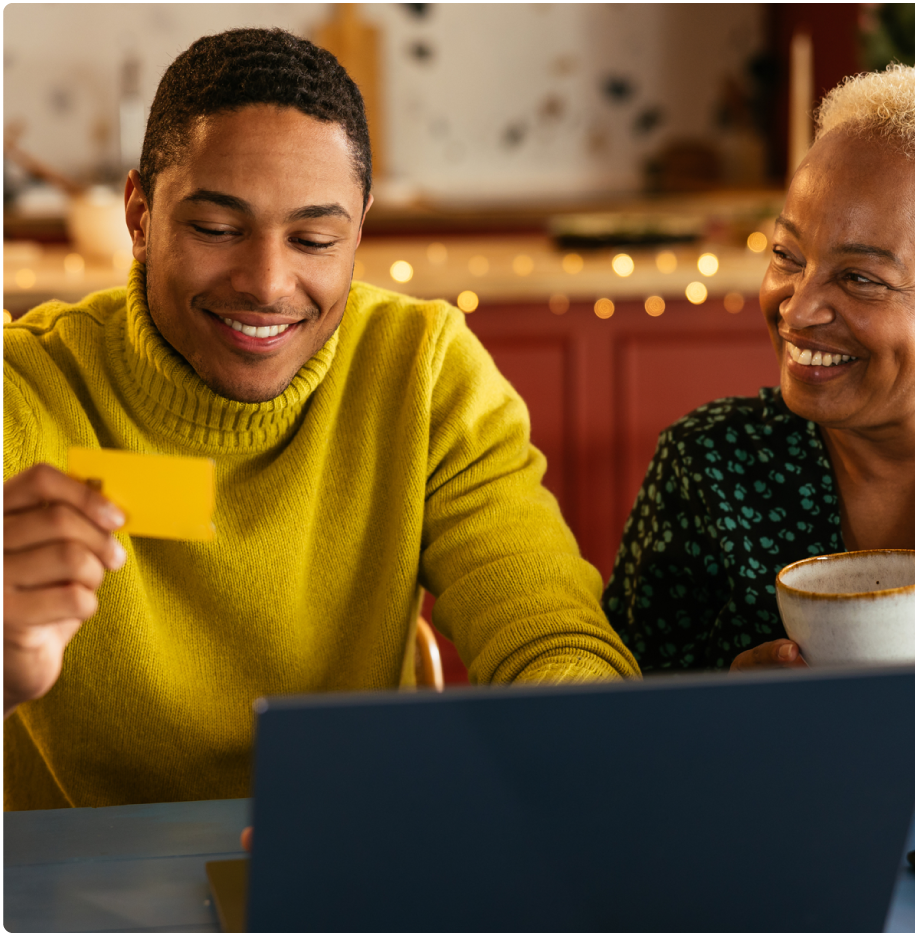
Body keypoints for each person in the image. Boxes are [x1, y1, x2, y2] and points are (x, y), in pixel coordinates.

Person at [3, 28, 638, 811]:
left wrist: (570, 735)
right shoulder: (25, 386)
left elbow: (550, 632)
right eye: (215, 229)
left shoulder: (423, 371)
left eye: (314, 238)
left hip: (357, 860)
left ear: (360, 231)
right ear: (139, 216)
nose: (268, 283)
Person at [604, 64, 915, 756]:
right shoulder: (709, 463)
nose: (799, 306)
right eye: (787, 254)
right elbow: (614, 729)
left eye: (859, 278)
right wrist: (720, 705)